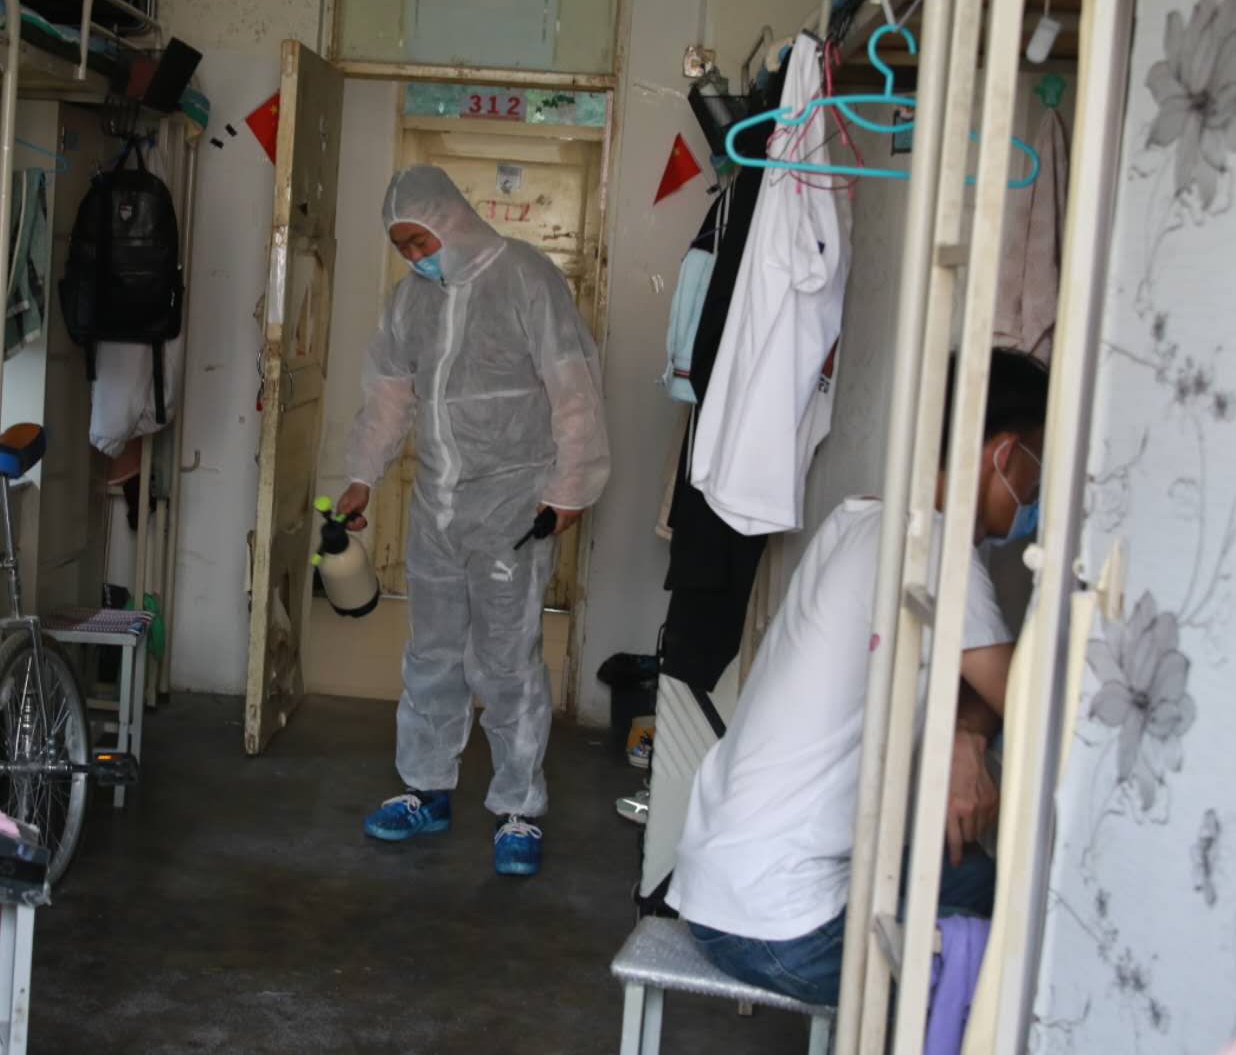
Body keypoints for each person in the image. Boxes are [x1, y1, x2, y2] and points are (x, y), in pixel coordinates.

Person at [666, 348, 1048, 1003]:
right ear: (1006, 454)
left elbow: (991, 688)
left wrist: (968, 735)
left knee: (974, 878)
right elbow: (1037, 711)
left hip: (722, 887)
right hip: (784, 926)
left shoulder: (864, 518)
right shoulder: (935, 547)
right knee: (1014, 955)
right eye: (1039, 469)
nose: (1038, 495)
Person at [337, 165, 610, 877]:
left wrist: (570, 487)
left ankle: (518, 807)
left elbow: (573, 387)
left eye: (420, 241)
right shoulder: (409, 301)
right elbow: (388, 397)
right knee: (431, 651)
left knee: (507, 658)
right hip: (437, 504)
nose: (413, 257)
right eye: (401, 247)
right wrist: (361, 476)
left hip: (513, 504)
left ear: (451, 221)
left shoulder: (525, 277)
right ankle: (425, 789)